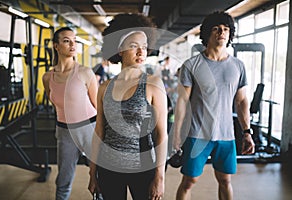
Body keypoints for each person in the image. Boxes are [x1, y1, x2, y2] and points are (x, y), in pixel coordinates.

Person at [172, 11, 255, 200]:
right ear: (207, 34)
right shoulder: (191, 65)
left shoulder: (238, 66)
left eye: (226, 29)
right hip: (197, 135)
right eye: (216, 29)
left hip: (226, 136)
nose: (221, 33)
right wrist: (176, 135)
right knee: (188, 182)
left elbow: (241, 101)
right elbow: (182, 102)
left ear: (230, 34)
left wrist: (247, 132)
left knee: (225, 181)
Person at [88, 13, 168, 200]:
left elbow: (161, 135)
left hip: (143, 168)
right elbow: (99, 132)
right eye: (134, 46)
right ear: (120, 49)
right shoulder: (105, 88)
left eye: (144, 47)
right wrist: (92, 173)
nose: (141, 52)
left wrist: (160, 177)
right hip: (108, 167)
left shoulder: (153, 84)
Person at [42, 27, 98, 200]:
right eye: (67, 40)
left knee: (100, 178)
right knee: (63, 180)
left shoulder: (85, 72)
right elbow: (55, 102)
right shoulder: (47, 77)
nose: (73, 44)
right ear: (56, 46)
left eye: (75, 40)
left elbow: (98, 106)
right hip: (64, 132)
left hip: (89, 129)